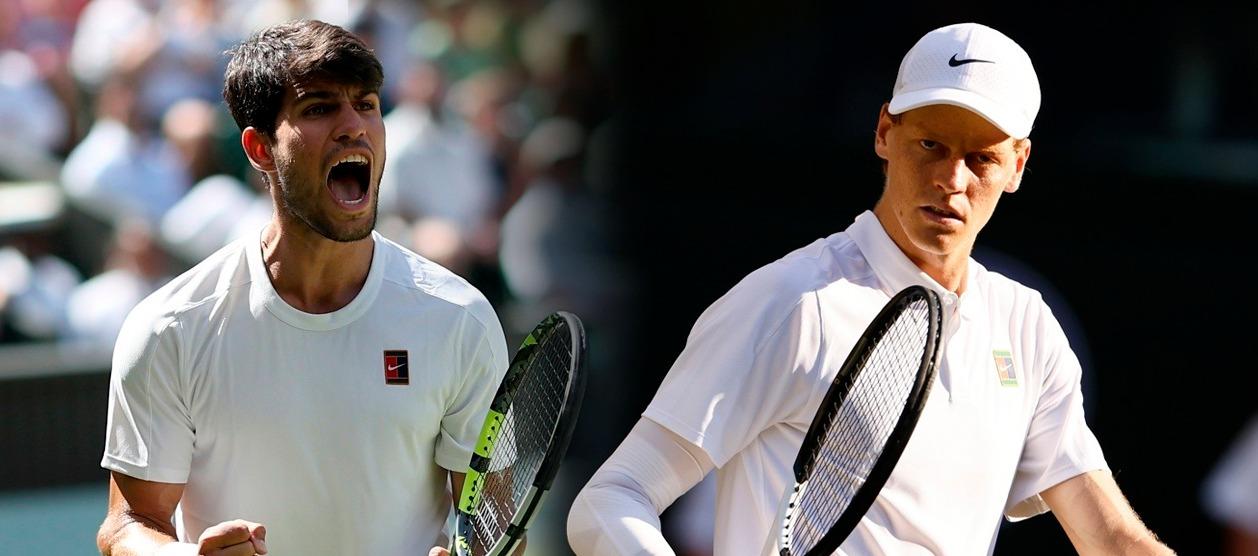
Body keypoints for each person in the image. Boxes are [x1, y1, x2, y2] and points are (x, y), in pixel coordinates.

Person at [567, 23, 1173, 555]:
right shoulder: (791, 302)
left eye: (981, 158)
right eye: (930, 144)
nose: (951, 179)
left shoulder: (1027, 327)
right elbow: (611, 498)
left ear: (1017, 165)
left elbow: (1110, 539)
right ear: (885, 132)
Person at [96, 20, 508, 555]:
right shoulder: (169, 328)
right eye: (319, 108)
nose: (353, 126)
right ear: (260, 148)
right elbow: (128, 524)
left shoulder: (458, 317)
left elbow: (494, 525)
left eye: (367, 105)